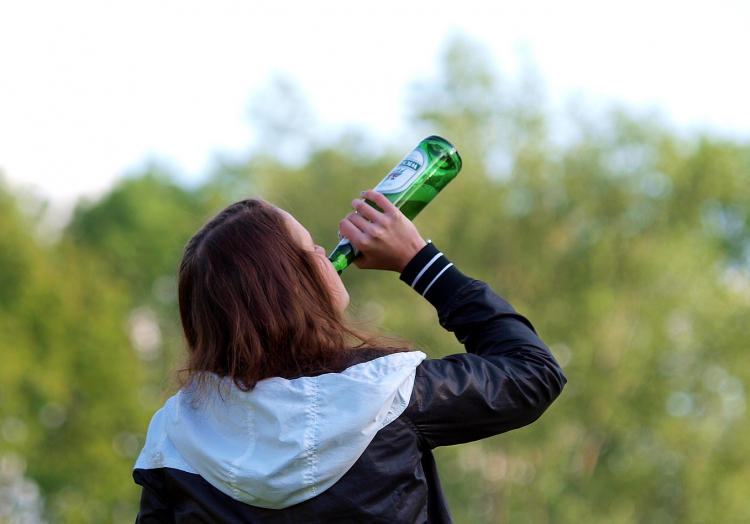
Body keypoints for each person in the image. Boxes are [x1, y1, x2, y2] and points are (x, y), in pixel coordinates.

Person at [133, 190, 566, 523]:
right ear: (290, 288)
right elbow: (535, 370)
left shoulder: (174, 439)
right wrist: (419, 260)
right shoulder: (384, 393)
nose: (325, 252)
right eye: (309, 249)